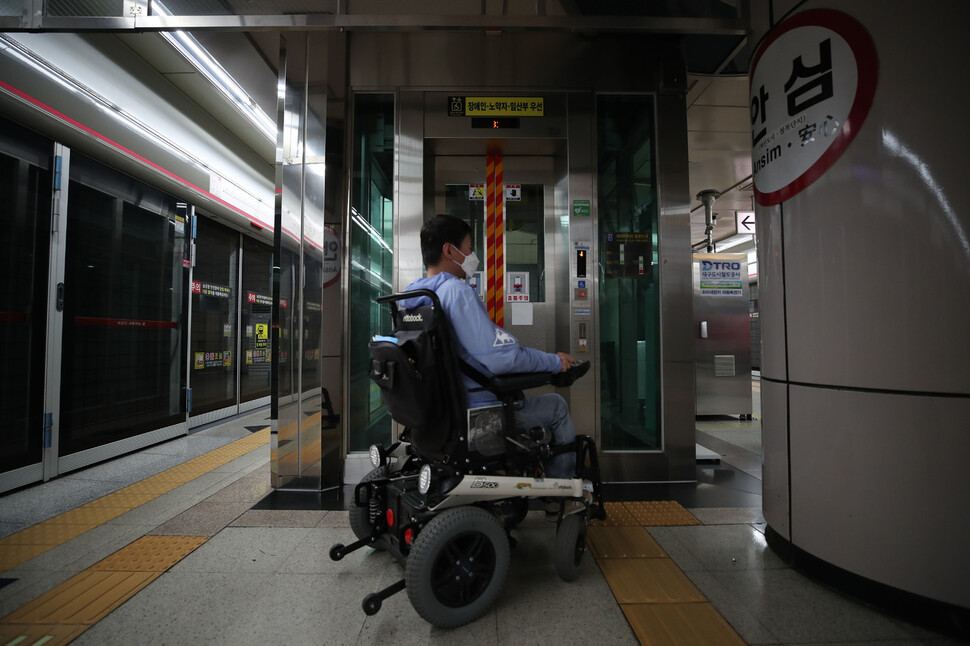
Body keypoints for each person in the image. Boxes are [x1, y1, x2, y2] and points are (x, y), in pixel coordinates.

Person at [400, 214, 578, 478]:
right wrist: (554, 362)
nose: (473, 255)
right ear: (450, 250)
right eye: (469, 247)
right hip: (476, 415)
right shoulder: (456, 292)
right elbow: (501, 359)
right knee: (557, 406)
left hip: (435, 417)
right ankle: (563, 494)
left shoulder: (410, 297)